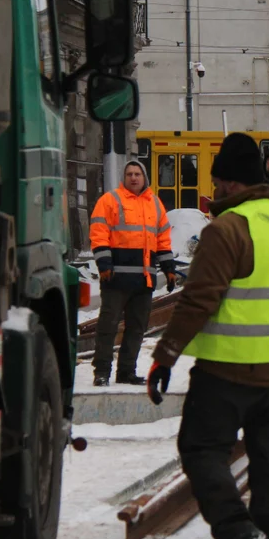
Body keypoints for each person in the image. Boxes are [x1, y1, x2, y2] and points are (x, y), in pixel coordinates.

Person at [147, 133, 269, 539]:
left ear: (226, 183)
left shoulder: (226, 229)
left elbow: (197, 300)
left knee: (201, 449)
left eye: (217, 182)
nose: (214, 191)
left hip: (227, 371)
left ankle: (236, 531)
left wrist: (164, 357)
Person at [90, 161, 176, 387]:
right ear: (124, 177)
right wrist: (104, 265)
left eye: (137, 174)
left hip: (143, 280)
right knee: (107, 328)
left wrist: (169, 270)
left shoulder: (155, 204)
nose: (133, 177)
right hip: (116, 279)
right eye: (129, 174)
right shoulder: (109, 201)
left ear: (144, 177)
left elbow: (163, 240)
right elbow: (99, 234)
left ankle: (126, 371)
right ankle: (101, 372)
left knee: (136, 329)